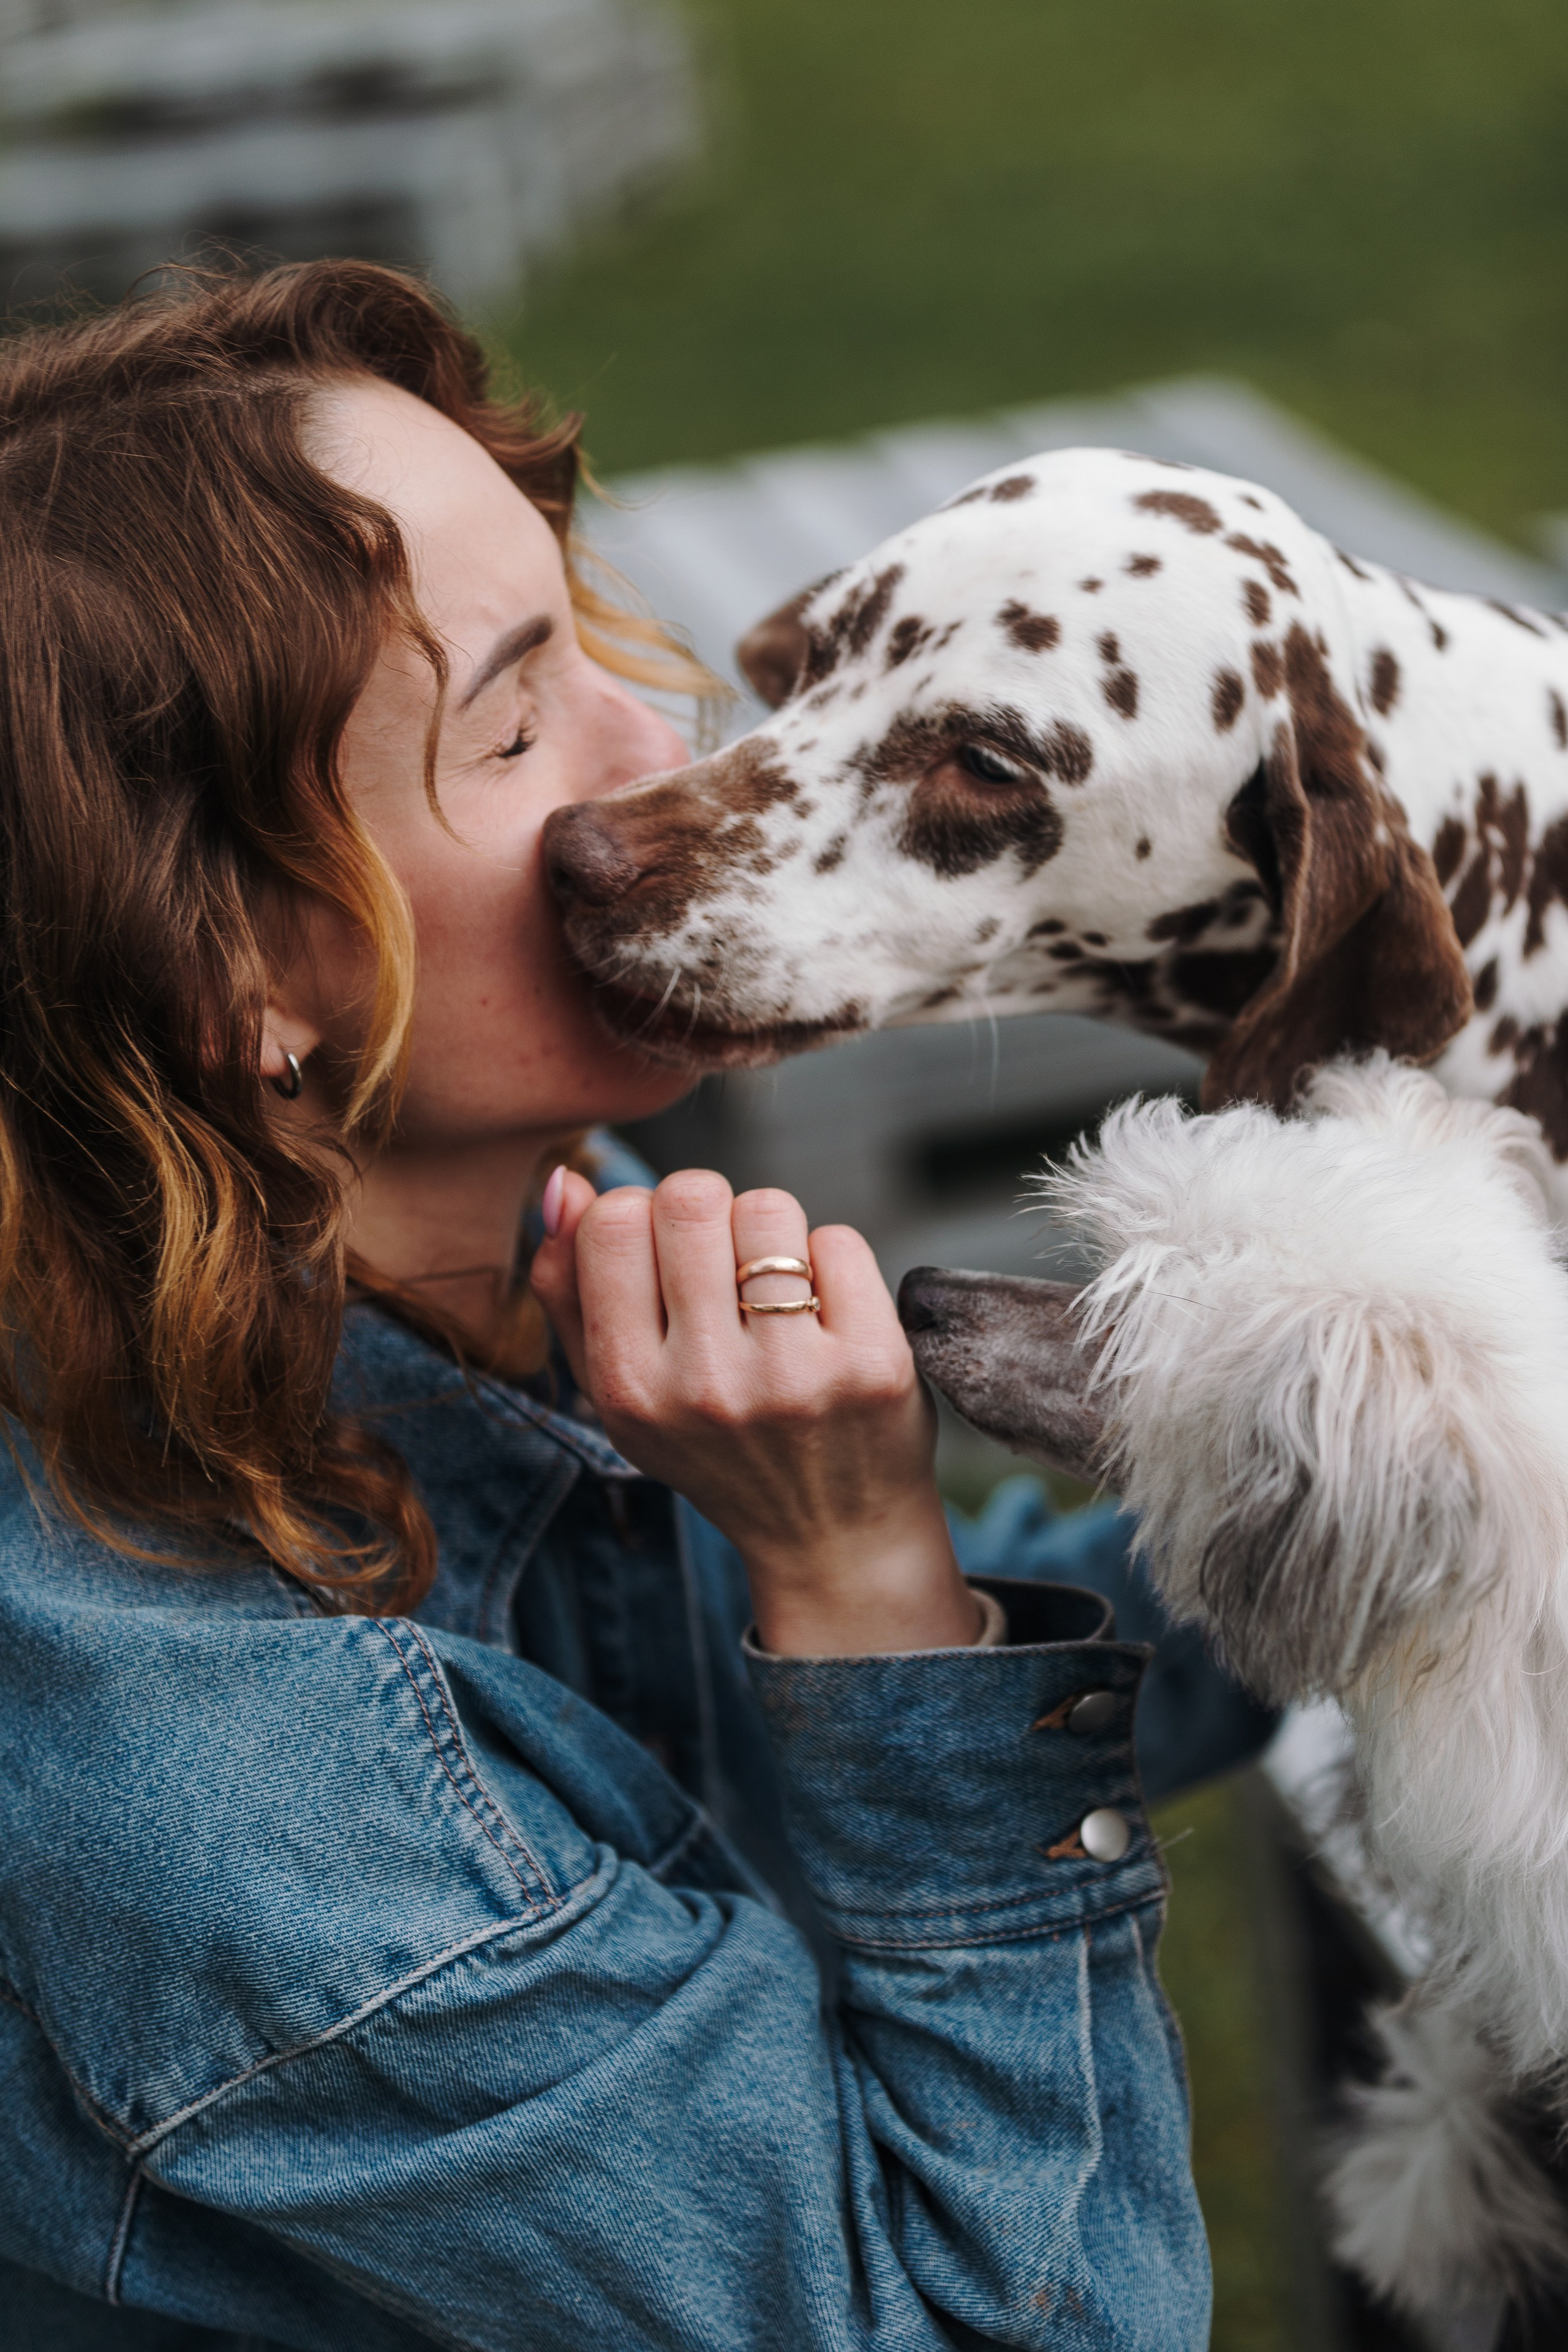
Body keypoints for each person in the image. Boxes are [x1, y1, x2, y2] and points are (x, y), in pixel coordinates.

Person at [0, 260, 1249, 2350]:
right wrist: (861, 1589)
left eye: (585, 617)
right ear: (229, 974)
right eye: (511, 717)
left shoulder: (493, 1227)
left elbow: (1032, 1652)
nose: (661, 738)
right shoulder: (258, 1816)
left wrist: (1415, 1466)